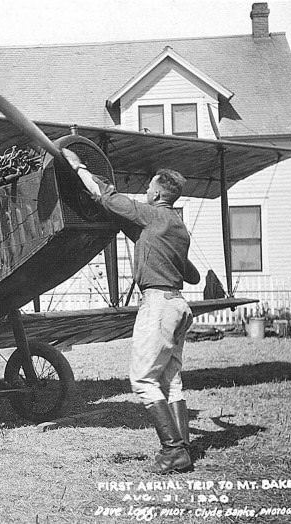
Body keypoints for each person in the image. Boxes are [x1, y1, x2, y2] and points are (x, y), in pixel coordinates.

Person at [63, 149, 201, 474]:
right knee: (171, 379)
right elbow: (191, 274)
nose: (146, 193)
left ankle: (173, 451)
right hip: (179, 305)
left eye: (149, 189)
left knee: (142, 380)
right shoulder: (178, 225)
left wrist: (78, 167)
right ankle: (184, 447)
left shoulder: (153, 215)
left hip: (158, 305)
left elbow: (108, 198)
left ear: (156, 193)